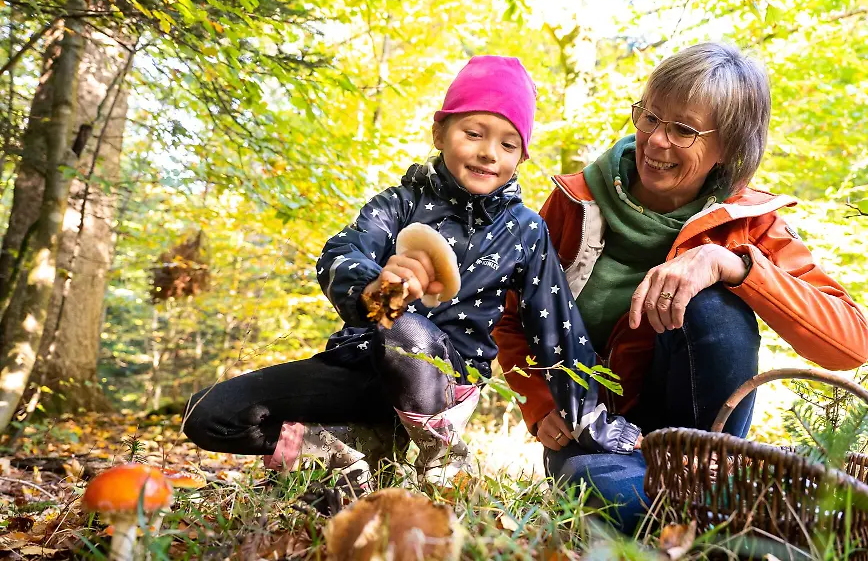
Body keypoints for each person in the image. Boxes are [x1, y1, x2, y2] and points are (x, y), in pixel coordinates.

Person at [492, 42, 868, 534]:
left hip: (700, 446)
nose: (655, 141)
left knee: (715, 304)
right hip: (600, 436)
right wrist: (539, 402)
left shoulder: (748, 224)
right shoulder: (574, 202)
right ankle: (722, 523)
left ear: (729, 148)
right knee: (601, 493)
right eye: (649, 117)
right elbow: (511, 315)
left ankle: (706, 496)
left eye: (683, 130)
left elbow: (851, 344)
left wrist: (732, 265)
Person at [182, 55, 602, 489]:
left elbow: (557, 323)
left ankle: (440, 457)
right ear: (440, 132)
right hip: (359, 367)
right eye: (473, 133)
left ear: (521, 157)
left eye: (508, 144)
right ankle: (352, 447)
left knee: (405, 332)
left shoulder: (524, 229)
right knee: (208, 414)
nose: (488, 152)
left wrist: (586, 414)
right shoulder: (399, 204)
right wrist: (382, 289)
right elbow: (340, 253)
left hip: (440, 381)